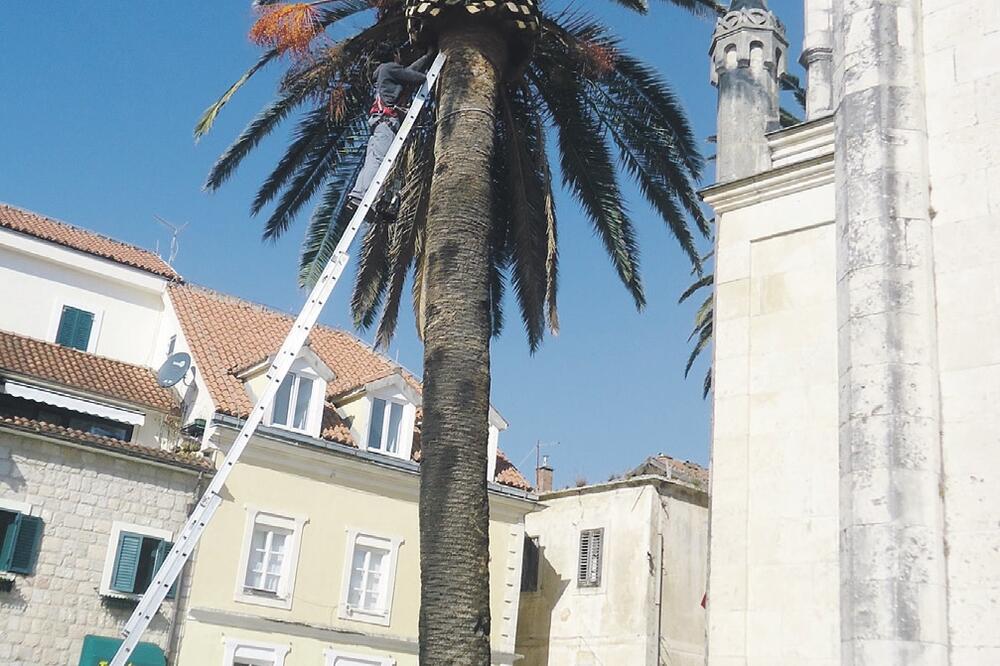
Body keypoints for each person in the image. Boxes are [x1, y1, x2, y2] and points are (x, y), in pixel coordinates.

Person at [347, 47, 436, 214]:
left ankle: (361, 195)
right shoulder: (390, 68)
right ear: (394, 55)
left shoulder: (384, 72)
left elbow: (407, 72)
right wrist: (428, 71)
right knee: (379, 161)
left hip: (380, 122)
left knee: (373, 160)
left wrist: (427, 56)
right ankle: (365, 198)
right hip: (387, 122)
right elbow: (417, 77)